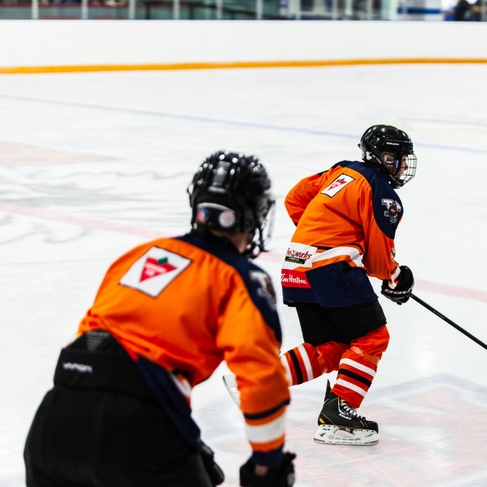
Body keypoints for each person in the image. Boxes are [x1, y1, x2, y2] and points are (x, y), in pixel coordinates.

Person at [24, 151, 296, 487]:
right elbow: (260, 376)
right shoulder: (241, 278)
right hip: (138, 426)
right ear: (253, 214)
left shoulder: (142, 253)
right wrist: (267, 463)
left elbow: (93, 333)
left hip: (55, 418)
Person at [279, 124, 417, 446]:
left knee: (332, 346)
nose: (401, 166)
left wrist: (319, 233)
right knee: (373, 337)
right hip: (330, 269)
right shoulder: (382, 193)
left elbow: (294, 199)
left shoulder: (340, 171)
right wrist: (398, 279)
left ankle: (256, 382)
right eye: (396, 159)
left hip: (296, 265)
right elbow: (380, 263)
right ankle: (338, 417)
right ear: (382, 158)